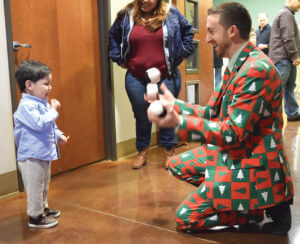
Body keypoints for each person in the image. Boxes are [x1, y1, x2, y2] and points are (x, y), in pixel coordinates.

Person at [147, 2, 294, 234]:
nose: (206, 39)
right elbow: (211, 113)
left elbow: (231, 133)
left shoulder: (256, 69)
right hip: (234, 152)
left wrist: (180, 124)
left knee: (185, 219)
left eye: (211, 31)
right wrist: (175, 105)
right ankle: (238, 203)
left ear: (232, 31)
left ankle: (253, 207)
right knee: (176, 164)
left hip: (250, 162)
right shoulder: (238, 66)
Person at [108, 0, 194, 169]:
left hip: (166, 75)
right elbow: (113, 36)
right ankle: (142, 152)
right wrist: (118, 58)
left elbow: (188, 32)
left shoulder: (172, 13)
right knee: (141, 115)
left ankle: (169, 153)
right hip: (136, 77)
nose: (144, 1)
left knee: (165, 115)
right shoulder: (127, 14)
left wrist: (181, 54)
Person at [14, 60, 69, 228]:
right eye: (46, 84)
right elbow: (39, 123)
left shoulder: (41, 104)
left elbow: (50, 125)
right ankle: (35, 217)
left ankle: (42, 208)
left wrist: (59, 135)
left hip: (43, 154)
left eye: (50, 83)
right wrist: (54, 111)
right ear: (29, 85)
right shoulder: (26, 106)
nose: (50, 87)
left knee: (43, 185)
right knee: (35, 187)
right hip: (31, 156)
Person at [269, 0, 300, 121]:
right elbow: (287, 37)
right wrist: (295, 56)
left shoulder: (288, 14)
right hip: (283, 58)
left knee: (290, 87)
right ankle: (270, 117)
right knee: (277, 88)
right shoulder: (285, 14)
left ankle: (292, 113)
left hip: (287, 59)